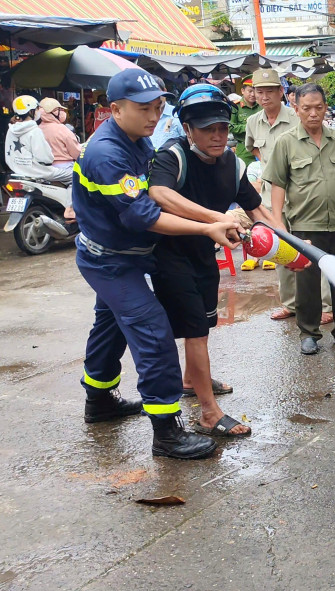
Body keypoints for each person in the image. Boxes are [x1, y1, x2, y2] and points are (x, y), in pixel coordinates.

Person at [73, 68, 242, 459]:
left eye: (158, 107)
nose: (153, 116)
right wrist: (208, 226)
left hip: (127, 255)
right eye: (144, 108)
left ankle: (98, 402)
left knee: (110, 327)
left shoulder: (136, 140)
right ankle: (167, 433)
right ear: (115, 109)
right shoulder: (107, 153)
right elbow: (143, 216)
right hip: (111, 262)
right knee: (153, 332)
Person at [148, 84, 276, 438]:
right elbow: (159, 193)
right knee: (197, 333)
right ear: (187, 128)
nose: (217, 136)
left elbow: (258, 210)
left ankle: (192, 381)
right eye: (207, 129)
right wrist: (216, 219)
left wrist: (289, 244)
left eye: (221, 127)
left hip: (206, 253)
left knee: (205, 324)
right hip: (170, 257)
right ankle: (208, 413)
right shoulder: (172, 156)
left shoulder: (232, 163)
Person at [264, 83, 335, 355]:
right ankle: (309, 333)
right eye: (306, 108)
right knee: (307, 285)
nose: (313, 114)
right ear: (296, 108)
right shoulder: (286, 142)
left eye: (318, 108)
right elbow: (278, 185)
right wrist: (278, 224)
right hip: (305, 225)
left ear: (325, 108)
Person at [246, 69, 332, 319]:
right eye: (259, 91)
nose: (263, 96)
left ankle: (324, 306)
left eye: (269, 91)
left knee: (312, 250)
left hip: (301, 197)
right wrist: (267, 170)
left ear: (281, 92)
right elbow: (253, 149)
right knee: (280, 249)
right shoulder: (254, 121)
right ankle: (291, 303)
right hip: (269, 199)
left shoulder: (298, 116)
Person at [4, 95, 73, 184]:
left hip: (17, 172)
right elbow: (45, 159)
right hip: (40, 173)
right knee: (75, 175)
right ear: (30, 112)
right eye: (36, 109)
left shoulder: (11, 130)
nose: (38, 112)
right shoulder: (34, 131)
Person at [36, 98, 81, 171]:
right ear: (54, 112)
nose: (63, 112)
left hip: (42, 168)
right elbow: (76, 153)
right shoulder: (62, 129)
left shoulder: (37, 129)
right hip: (64, 167)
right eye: (60, 110)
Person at [230, 76, 259, 165]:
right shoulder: (236, 107)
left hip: (261, 148)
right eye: (250, 91)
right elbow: (230, 127)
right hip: (244, 149)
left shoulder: (261, 106)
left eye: (255, 91)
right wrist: (248, 127)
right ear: (243, 91)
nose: (253, 94)